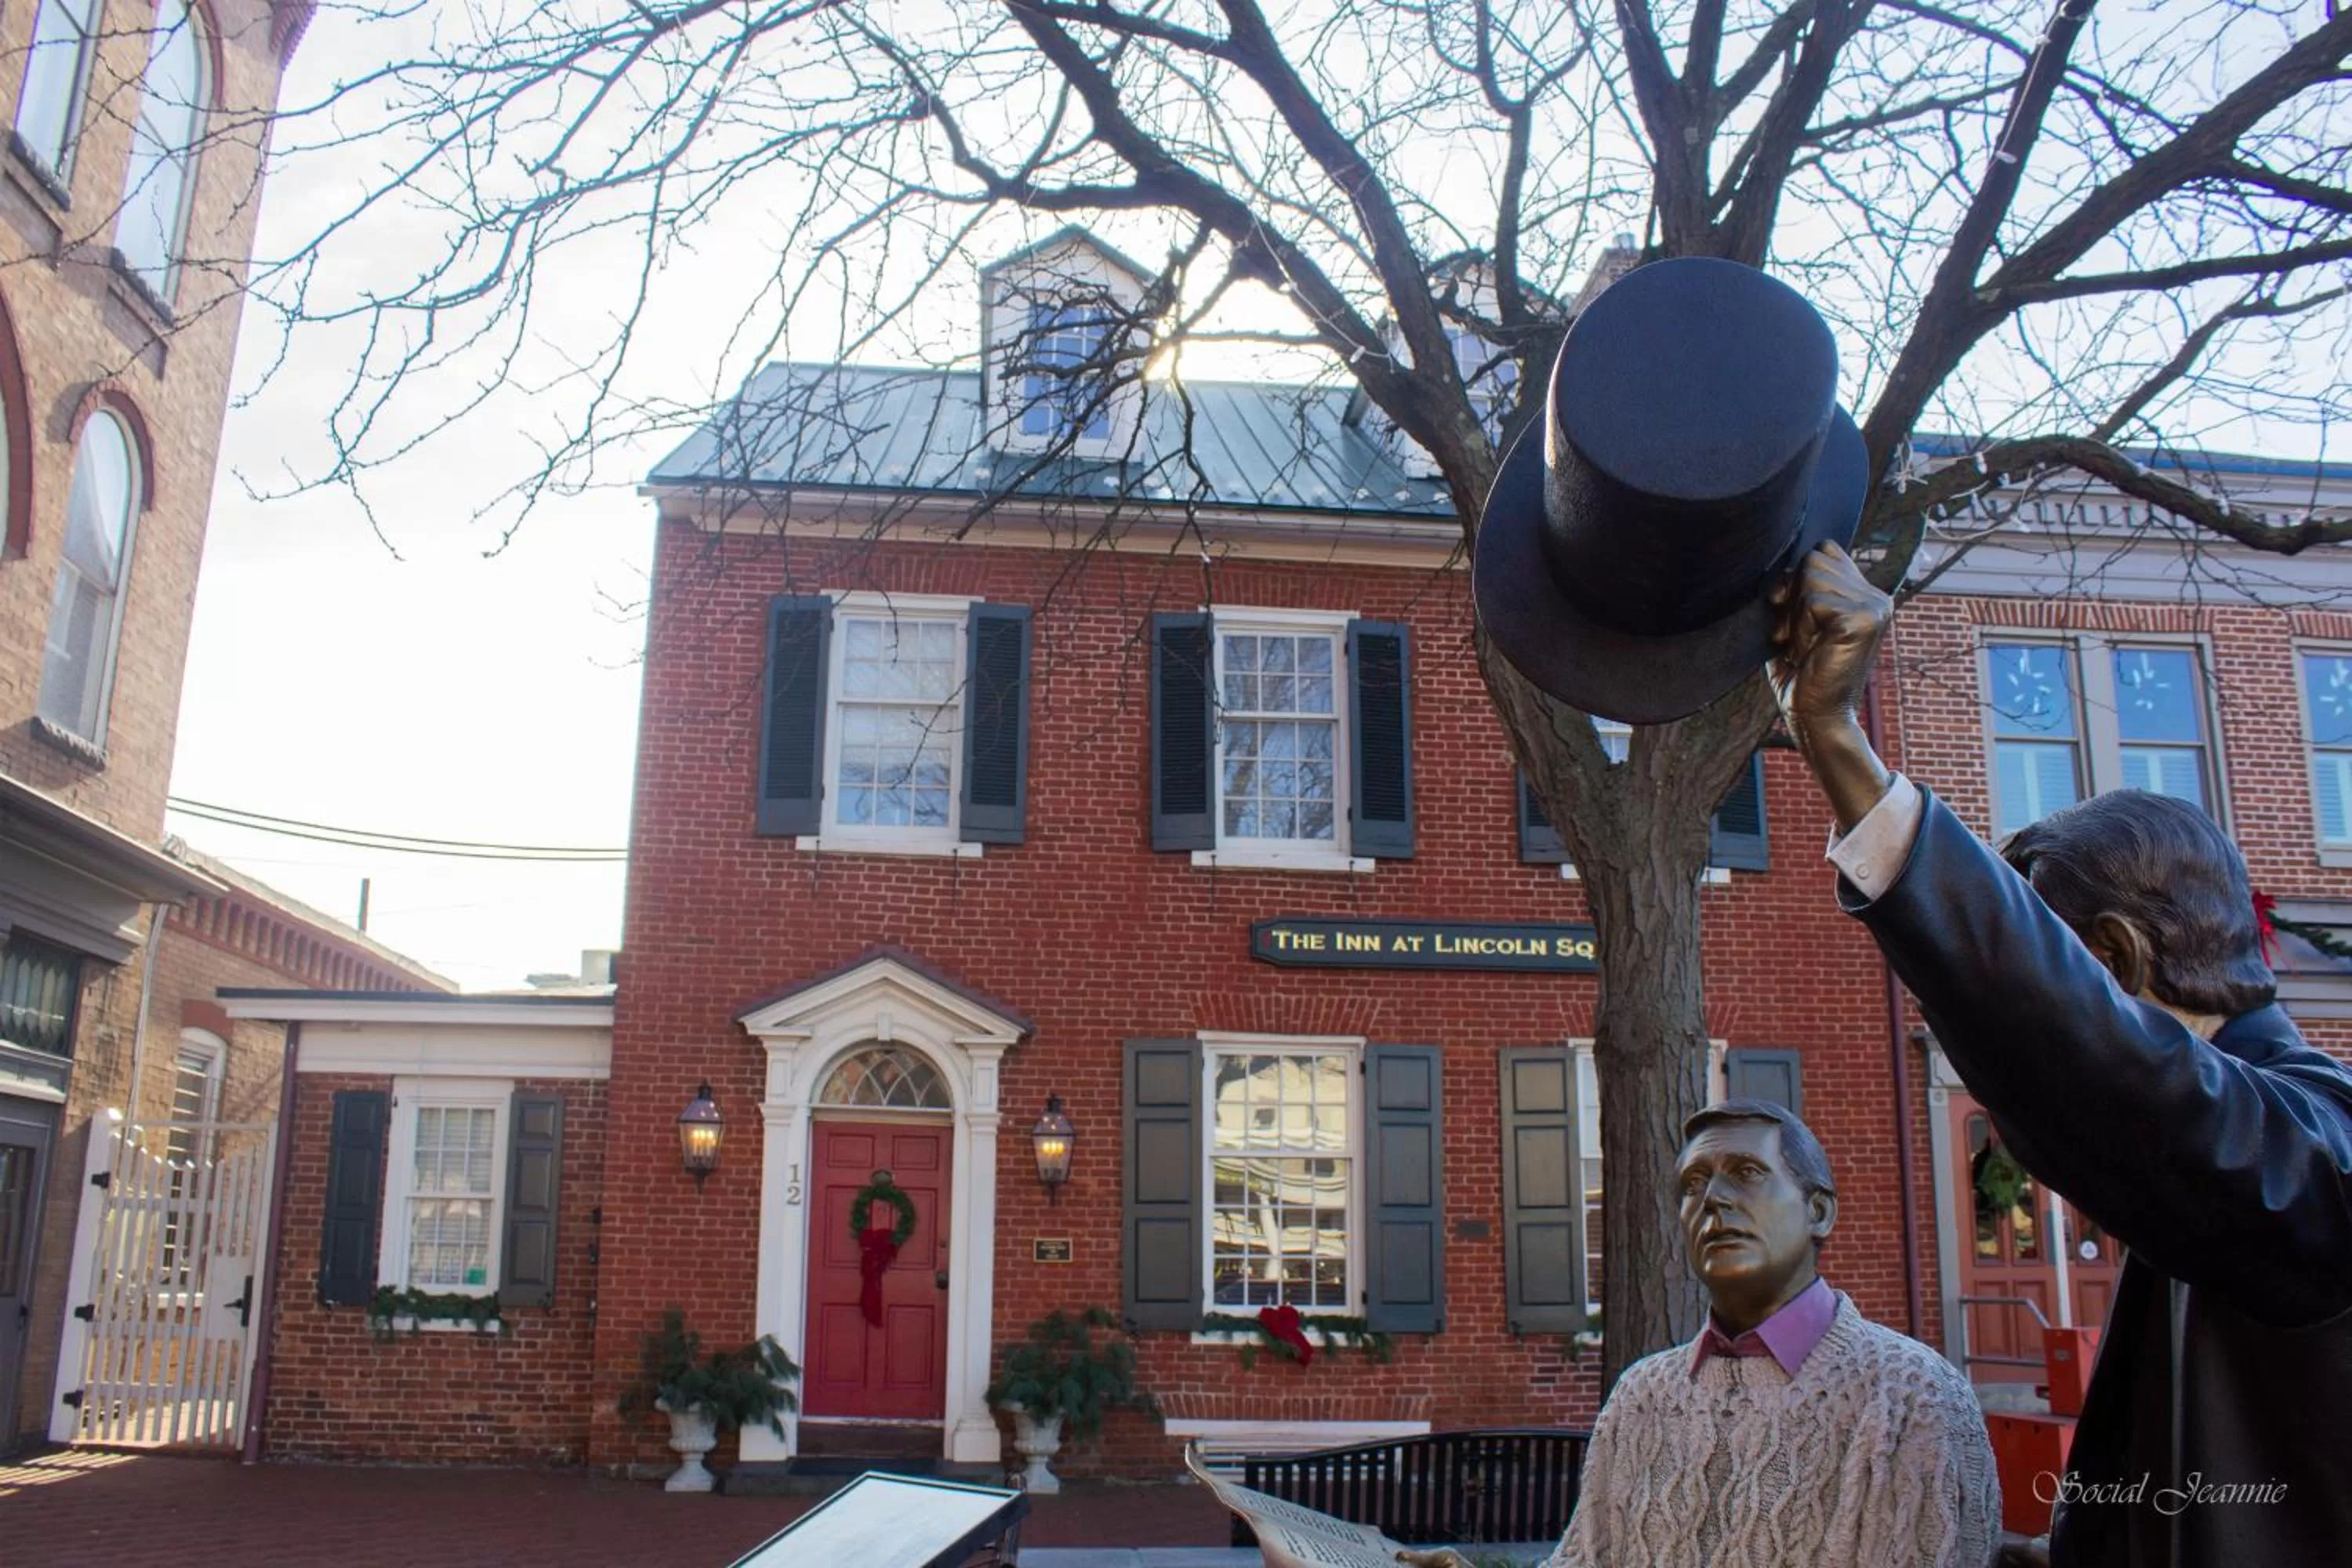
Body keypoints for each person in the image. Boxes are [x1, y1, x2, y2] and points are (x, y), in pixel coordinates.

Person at [1773, 541, 2352, 1566]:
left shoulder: (2317, 1158)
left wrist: (1838, 744)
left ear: (2117, 964)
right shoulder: (2204, 1190)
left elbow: (2106, 1072)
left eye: (2061, 968)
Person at [1410, 1100, 1998, 1567]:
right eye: (1693, 1185)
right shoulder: (1641, 1397)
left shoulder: (1914, 1399)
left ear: (1818, 1212)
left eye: (1746, 1174)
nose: (1712, 1200)